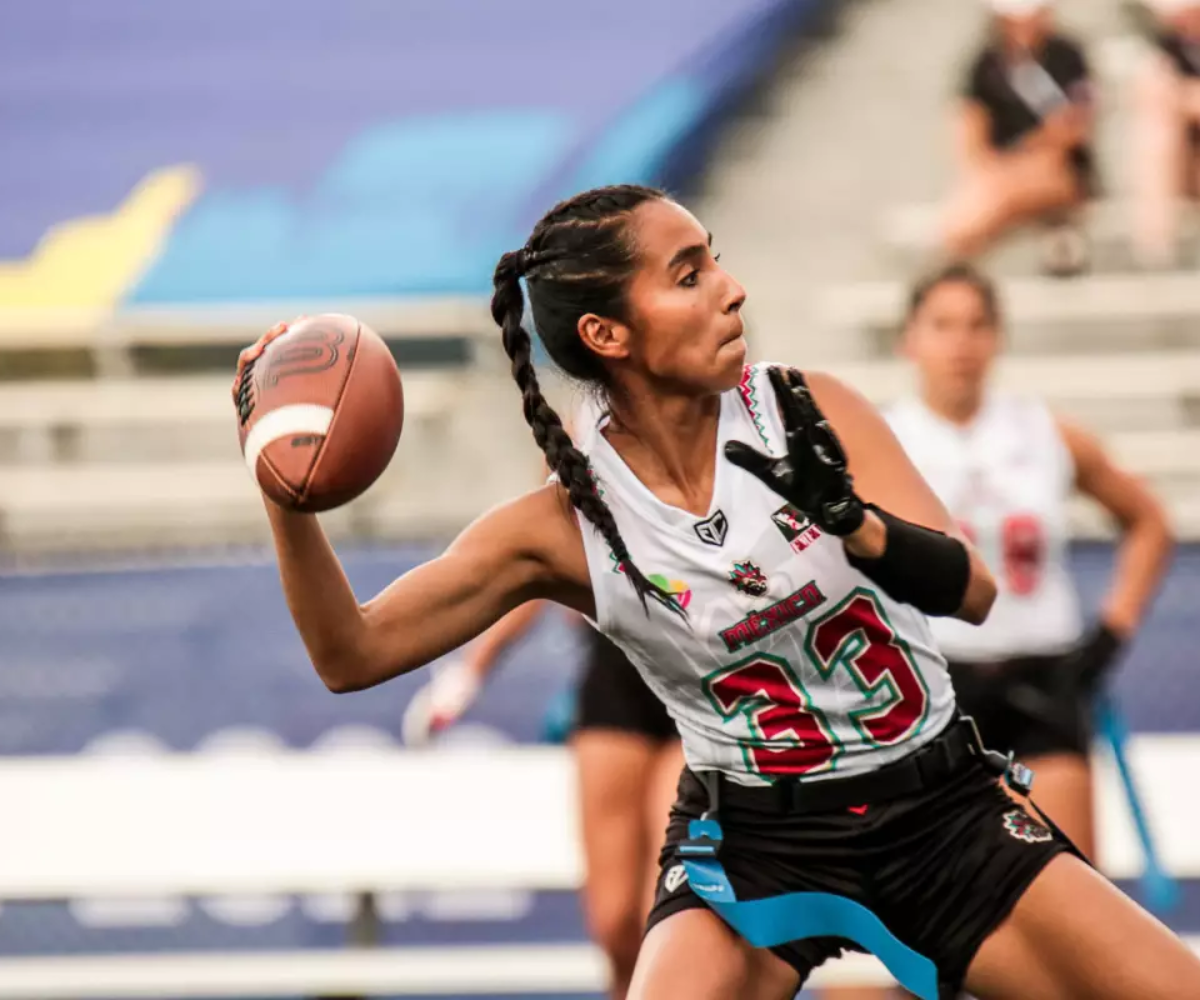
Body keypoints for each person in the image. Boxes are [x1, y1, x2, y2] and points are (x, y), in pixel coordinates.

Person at [235, 184, 1200, 999]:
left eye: (717, 260)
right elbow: (350, 655)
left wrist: (857, 526)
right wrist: (286, 495)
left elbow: (976, 592)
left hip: (938, 809)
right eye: (689, 274)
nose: (732, 290)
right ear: (608, 332)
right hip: (755, 842)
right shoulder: (563, 523)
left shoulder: (808, 409)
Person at [887, 261, 1175, 863]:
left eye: (977, 325)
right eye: (943, 325)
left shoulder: (1044, 432)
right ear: (909, 339)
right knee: (944, 898)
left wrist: (1111, 633)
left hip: (1040, 680)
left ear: (998, 336)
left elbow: (1148, 521)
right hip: (933, 685)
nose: (961, 343)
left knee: (1068, 883)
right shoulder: (882, 441)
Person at [403, 596, 683, 1000]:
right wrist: (466, 676)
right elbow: (534, 568)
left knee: (661, 918)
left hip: (699, 690)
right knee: (614, 924)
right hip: (617, 680)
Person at [942, 0, 1095, 274]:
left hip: (1061, 172)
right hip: (1003, 174)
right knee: (978, 202)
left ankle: (957, 261)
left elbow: (1073, 129)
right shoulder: (986, 64)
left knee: (978, 209)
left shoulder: (1066, 56)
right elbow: (971, 126)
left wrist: (1017, 160)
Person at [1131, 0, 1200, 268]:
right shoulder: (1168, 53)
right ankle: (1155, 242)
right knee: (1156, 130)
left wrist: (1184, 98)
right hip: (1187, 167)